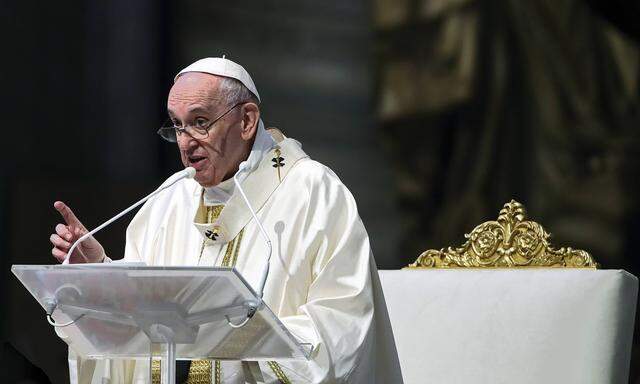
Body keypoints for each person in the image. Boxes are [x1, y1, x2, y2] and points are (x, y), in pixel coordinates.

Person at [50, 57, 402, 384]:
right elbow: (138, 321)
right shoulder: (169, 199)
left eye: (200, 122)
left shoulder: (313, 192)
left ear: (247, 121)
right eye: (177, 125)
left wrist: (232, 341)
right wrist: (101, 273)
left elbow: (342, 323)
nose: (186, 143)